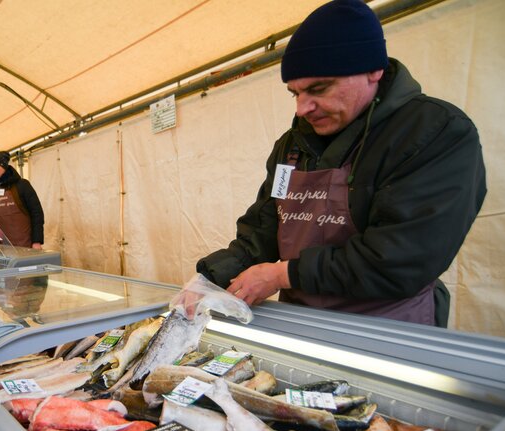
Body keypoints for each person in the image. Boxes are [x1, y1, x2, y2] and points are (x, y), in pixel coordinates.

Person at [195, 0, 486, 327]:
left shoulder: (435, 133)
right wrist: (210, 277)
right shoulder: (292, 146)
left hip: (388, 330)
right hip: (300, 324)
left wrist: (282, 274)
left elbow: (399, 259)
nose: (303, 108)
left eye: (318, 89)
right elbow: (266, 222)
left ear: (373, 70)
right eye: (295, 93)